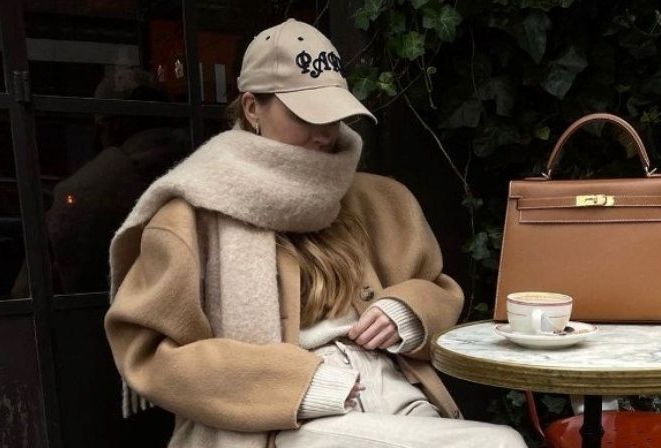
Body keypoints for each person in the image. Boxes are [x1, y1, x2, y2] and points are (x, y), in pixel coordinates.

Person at [104, 18, 526, 448]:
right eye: (306, 114)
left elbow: (438, 288)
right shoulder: (193, 213)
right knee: (499, 443)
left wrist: (407, 314)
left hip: (396, 386)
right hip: (285, 416)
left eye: (335, 113)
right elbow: (149, 353)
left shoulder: (382, 199)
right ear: (252, 108)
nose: (326, 131)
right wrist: (295, 386)